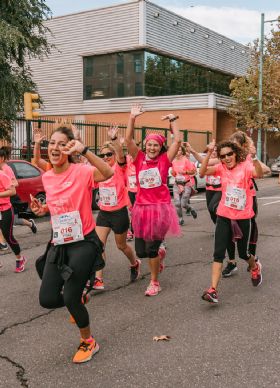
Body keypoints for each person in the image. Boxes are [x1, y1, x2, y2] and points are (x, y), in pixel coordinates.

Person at [30, 125, 114, 364]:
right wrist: (43, 209)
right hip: (60, 242)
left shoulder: (82, 171)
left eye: (60, 144)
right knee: (47, 299)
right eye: (51, 143)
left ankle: (89, 341)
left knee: (69, 298)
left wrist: (85, 150)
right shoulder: (47, 176)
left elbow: (107, 172)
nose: (54, 148)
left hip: (84, 242)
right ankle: (79, 298)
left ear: (68, 148)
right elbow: (58, 205)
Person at [125, 105, 181, 296]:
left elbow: (178, 141)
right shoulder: (138, 158)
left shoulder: (165, 160)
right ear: (145, 145)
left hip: (160, 209)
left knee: (151, 249)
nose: (152, 147)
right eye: (149, 144)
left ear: (160, 147)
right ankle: (159, 254)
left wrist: (173, 120)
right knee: (141, 252)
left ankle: (154, 282)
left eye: (156, 145)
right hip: (141, 209)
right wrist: (132, 117)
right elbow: (128, 140)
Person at [200, 140, 263, 304]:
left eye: (229, 154)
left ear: (235, 153)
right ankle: (213, 290)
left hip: (243, 217)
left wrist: (255, 158)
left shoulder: (245, 166)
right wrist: (208, 153)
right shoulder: (220, 168)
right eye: (223, 156)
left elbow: (260, 174)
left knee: (243, 253)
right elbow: (202, 172)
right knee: (218, 253)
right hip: (224, 216)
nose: (227, 158)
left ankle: (254, 266)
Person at [94, 126, 141, 289]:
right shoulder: (99, 169)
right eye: (103, 155)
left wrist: (114, 140)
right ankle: (98, 279)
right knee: (98, 246)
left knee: (122, 246)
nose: (106, 157)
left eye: (109, 154)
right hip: (104, 214)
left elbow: (121, 155)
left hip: (119, 213)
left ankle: (134, 263)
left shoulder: (120, 168)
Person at [222, 131, 270, 277]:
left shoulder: (248, 158)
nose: (233, 149)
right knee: (228, 231)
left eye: (236, 145)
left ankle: (252, 259)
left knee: (249, 231)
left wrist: (254, 158)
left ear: (243, 146)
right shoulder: (230, 158)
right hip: (231, 201)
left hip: (248, 201)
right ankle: (231, 262)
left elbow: (266, 170)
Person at [0, 153, 27, 273]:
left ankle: (20, 258)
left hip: (5, 209)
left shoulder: (2, 175)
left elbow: (12, 191)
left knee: (8, 236)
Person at [171, 145, 197, 225]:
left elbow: (193, 171)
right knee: (177, 204)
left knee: (183, 204)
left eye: (179, 150)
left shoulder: (186, 160)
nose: (177, 152)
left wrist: (185, 172)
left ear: (182, 151)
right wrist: (173, 173)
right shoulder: (173, 161)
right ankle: (180, 219)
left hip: (186, 184)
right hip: (177, 184)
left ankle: (191, 209)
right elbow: (174, 173)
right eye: (176, 150)